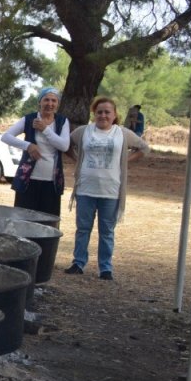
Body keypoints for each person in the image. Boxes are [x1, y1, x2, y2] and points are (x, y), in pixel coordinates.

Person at [64, 96, 150, 281]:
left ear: (114, 115)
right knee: (83, 228)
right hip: (85, 188)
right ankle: (78, 263)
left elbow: (143, 148)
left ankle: (105, 268)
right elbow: (66, 145)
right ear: (94, 114)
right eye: (99, 112)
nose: (103, 115)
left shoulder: (122, 133)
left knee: (107, 231)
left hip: (111, 190)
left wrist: (125, 161)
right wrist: (77, 159)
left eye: (107, 112)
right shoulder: (83, 132)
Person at [0, 86, 71, 216]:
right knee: (23, 219)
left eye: (54, 101)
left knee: (48, 222)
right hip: (28, 180)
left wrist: (45, 129)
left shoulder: (62, 121)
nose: (50, 104)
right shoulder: (29, 119)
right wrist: (28, 146)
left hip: (52, 182)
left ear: (58, 104)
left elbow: (64, 146)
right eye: (46, 100)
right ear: (40, 102)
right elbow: (6, 137)